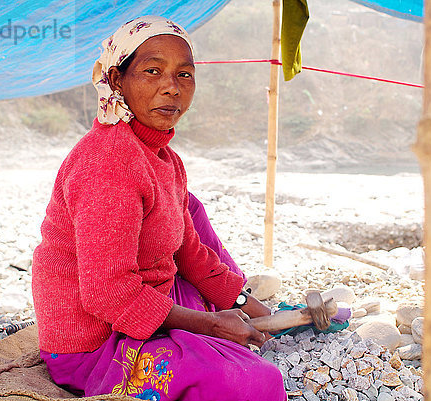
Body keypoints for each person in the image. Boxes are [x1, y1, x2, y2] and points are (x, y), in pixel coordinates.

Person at [31, 16, 287, 400]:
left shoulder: (164, 158)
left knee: (190, 210)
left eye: (184, 75)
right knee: (256, 382)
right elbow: (108, 294)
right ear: (117, 80)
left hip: (144, 307)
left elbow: (190, 251)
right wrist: (213, 325)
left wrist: (253, 306)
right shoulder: (108, 163)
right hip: (96, 346)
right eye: (152, 71)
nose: (171, 87)